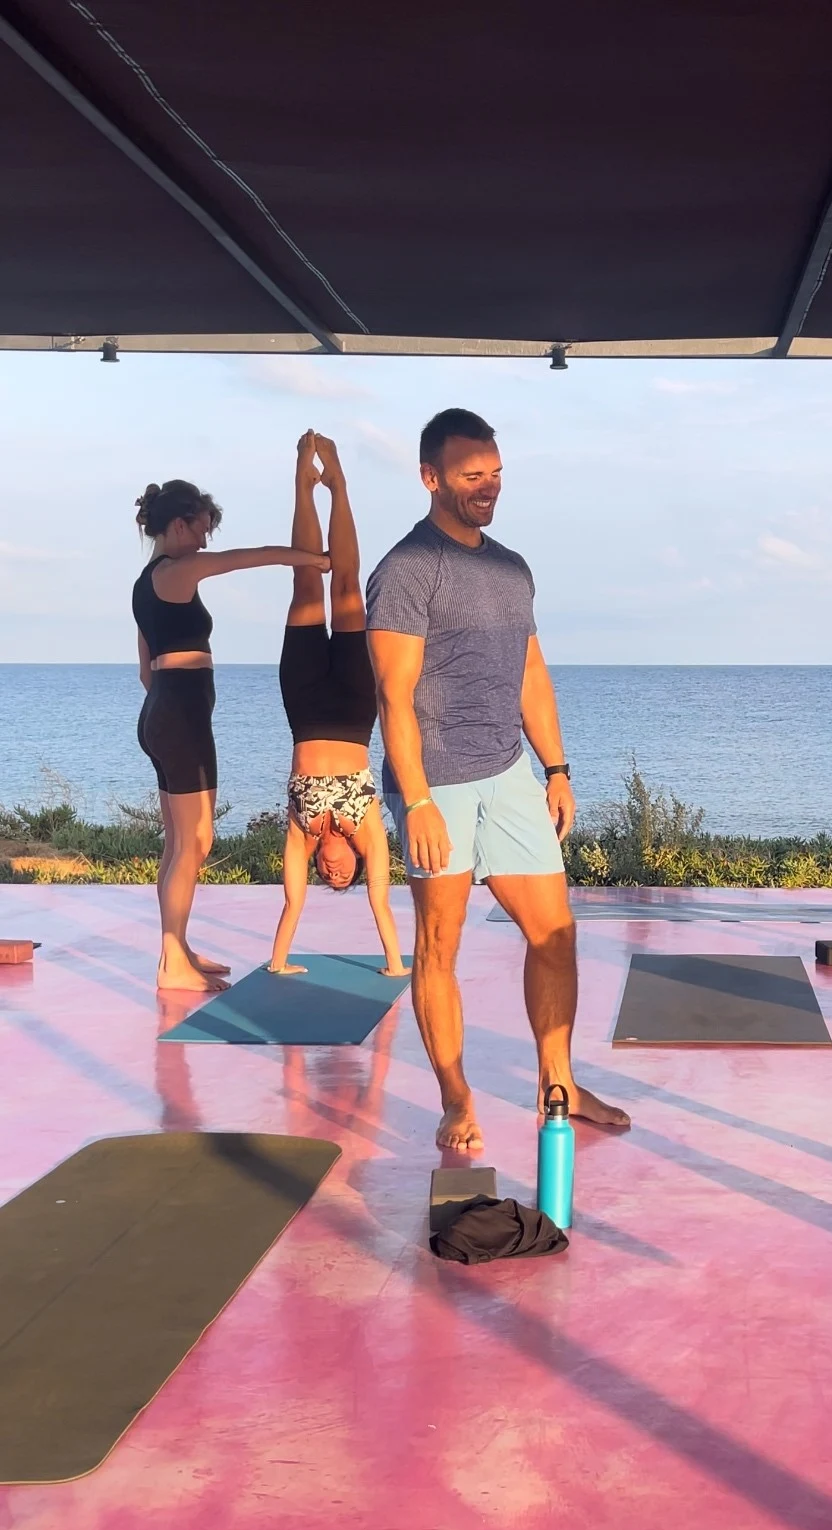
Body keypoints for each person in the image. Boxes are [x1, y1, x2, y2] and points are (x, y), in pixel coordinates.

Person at [365, 407, 630, 1153]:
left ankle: (559, 1082)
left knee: (555, 932)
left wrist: (557, 766)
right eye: (472, 475)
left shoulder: (512, 569)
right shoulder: (406, 570)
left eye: (496, 474)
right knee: (439, 947)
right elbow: (395, 694)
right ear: (431, 478)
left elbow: (532, 673)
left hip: (510, 768)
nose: (488, 487)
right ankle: (456, 1100)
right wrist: (414, 798)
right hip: (437, 781)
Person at [133, 479, 327, 993]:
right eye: (200, 531)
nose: (204, 543)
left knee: (178, 842)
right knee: (196, 841)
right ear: (179, 524)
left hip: (161, 713)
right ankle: (173, 962)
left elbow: (145, 672)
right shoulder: (178, 570)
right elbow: (247, 558)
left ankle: (177, 948)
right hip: (180, 717)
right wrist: (312, 559)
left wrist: (174, 708)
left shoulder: (144, 583)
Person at [268, 433, 408, 979]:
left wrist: (279, 963)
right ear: (355, 864)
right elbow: (382, 903)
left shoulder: (302, 835)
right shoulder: (367, 831)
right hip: (353, 708)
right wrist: (395, 964)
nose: (333, 873)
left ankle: (303, 476)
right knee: (346, 584)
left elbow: (292, 903)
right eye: (342, 876)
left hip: (302, 707)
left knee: (307, 583)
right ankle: (340, 483)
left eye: (329, 877)